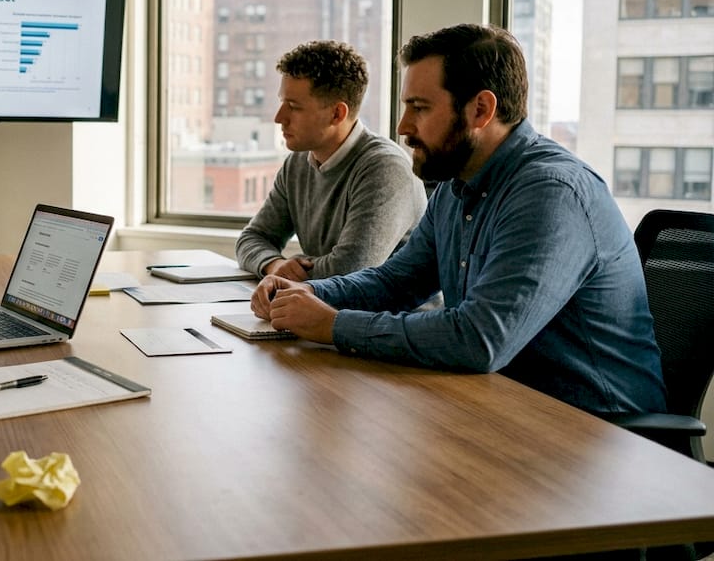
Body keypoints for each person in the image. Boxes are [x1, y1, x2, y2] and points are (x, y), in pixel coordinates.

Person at [251, 23, 666, 416]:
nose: (403, 126)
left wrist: (335, 325)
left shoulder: (550, 194)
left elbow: (479, 339)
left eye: (420, 108)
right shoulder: (455, 186)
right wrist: (301, 292)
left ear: (481, 109)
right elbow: (396, 282)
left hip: (597, 433)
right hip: (501, 406)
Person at [236, 40, 426, 281]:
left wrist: (289, 273)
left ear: (337, 113)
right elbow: (253, 237)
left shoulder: (385, 168)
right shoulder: (297, 163)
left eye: (293, 107)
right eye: (282, 102)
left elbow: (351, 269)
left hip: (387, 316)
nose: (279, 117)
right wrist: (273, 265)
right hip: (321, 307)